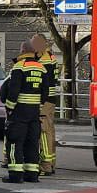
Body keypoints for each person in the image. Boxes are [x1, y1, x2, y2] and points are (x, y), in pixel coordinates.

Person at [0, 41, 47, 183]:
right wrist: (39, 106)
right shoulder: (42, 68)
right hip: (34, 112)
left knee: (15, 142)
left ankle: (15, 175)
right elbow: (45, 92)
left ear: (23, 51)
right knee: (32, 142)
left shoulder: (19, 67)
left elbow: (13, 91)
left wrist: (9, 108)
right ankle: (32, 174)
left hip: (19, 111)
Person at [32, 33, 62, 176]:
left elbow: (41, 82)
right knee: (50, 130)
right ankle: (51, 163)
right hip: (50, 99)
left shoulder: (43, 61)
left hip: (45, 100)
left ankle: (46, 165)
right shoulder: (50, 57)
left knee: (44, 131)